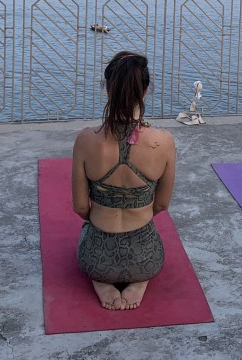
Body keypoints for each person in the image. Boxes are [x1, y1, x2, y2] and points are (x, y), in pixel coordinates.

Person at [72, 51, 176, 310]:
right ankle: (139, 280)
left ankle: (101, 280)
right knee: (145, 245)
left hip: (96, 257)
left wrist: (101, 216)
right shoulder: (163, 141)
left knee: (89, 232)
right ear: (146, 91)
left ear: (107, 89)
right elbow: (162, 205)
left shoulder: (86, 140)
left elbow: (80, 207)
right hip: (147, 257)